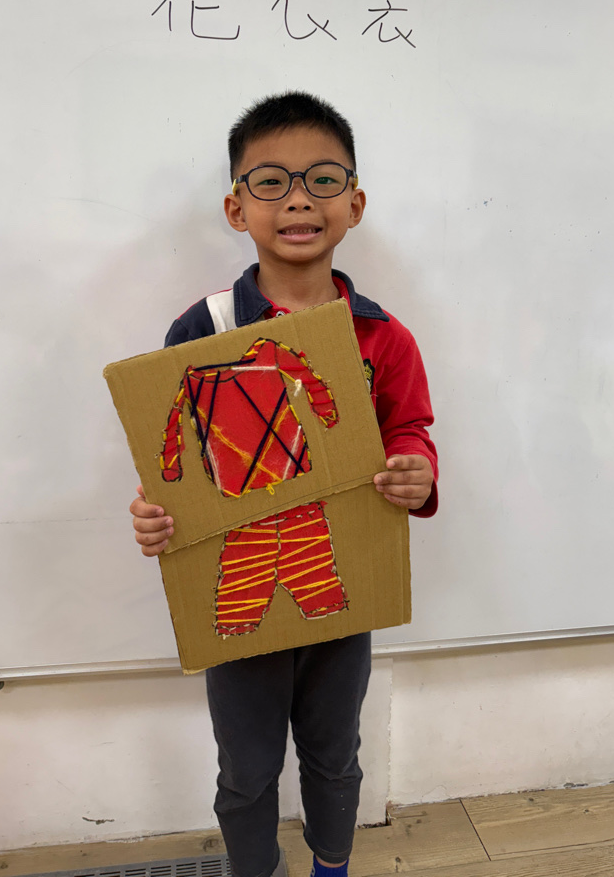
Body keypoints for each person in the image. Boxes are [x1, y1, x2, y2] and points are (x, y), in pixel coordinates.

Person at [130, 92, 438, 877]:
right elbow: (169, 461)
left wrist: (416, 470)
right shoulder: (202, 330)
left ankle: (332, 866)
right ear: (237, 208)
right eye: (271, 181)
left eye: (322, 179)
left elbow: (409, 430)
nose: (299, 199)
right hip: (235, 583)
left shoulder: (382, 336)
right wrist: (156, 516)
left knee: (335, 756)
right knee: (247, 769)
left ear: (354, 204)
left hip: (340, 576)